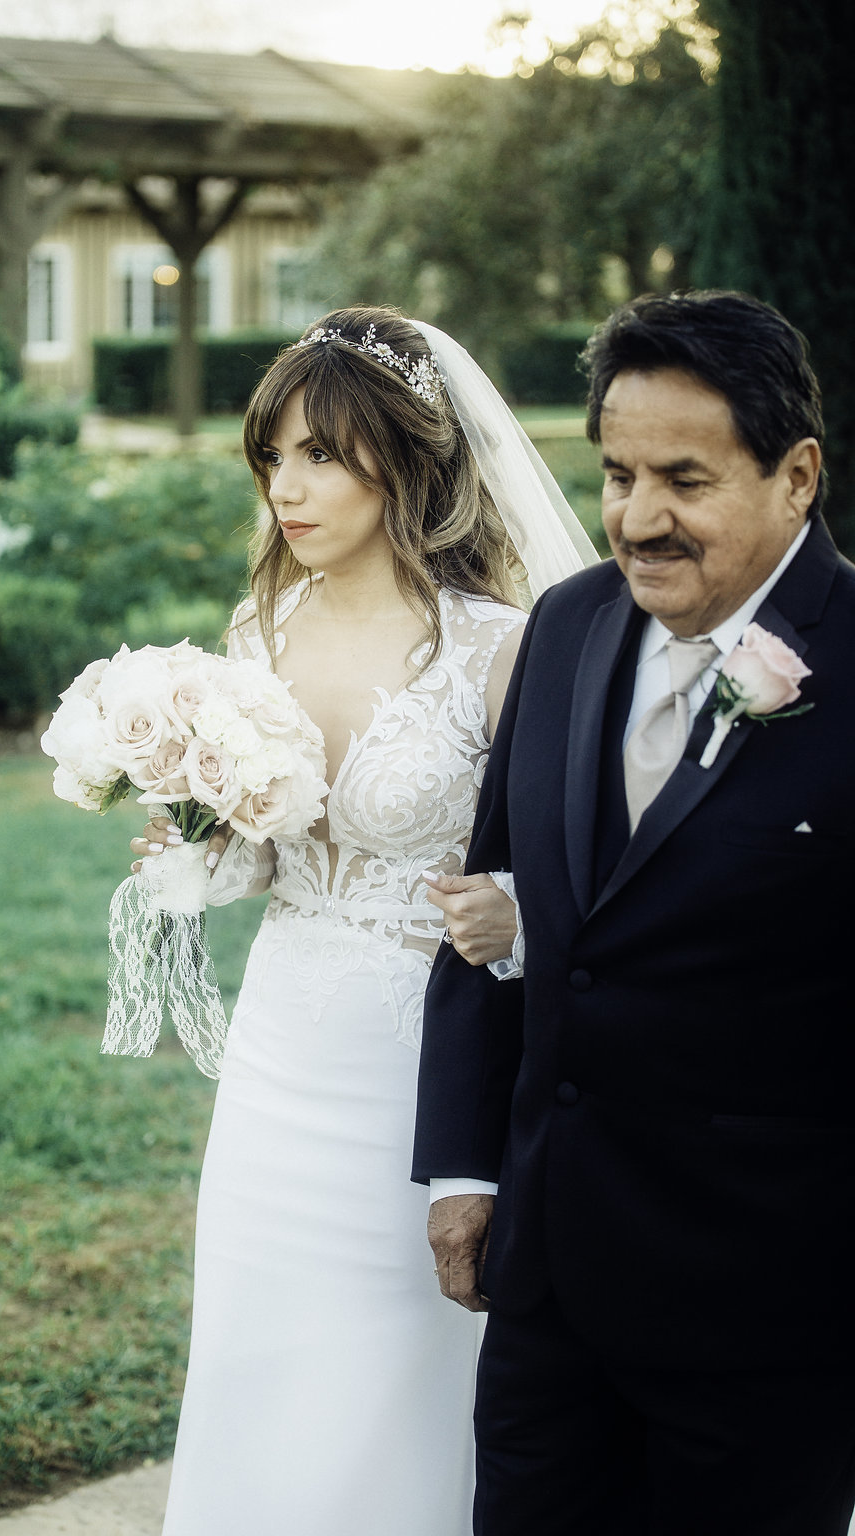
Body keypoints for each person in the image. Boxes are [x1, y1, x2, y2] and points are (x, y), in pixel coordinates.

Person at [129, 306, 595, 1536]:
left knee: (396, 1383)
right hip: (280, 1061)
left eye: (323, 454)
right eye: (273, 457)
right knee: (256, 1356)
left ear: (407, 459)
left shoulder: (501, 651)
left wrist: (514, 914)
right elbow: (274, 860)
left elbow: (580, 880)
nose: (288, 486)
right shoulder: (256, 635)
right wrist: (198, 856)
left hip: (418, 1073)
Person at [413, 289, 855, 1536]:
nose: (638, 519)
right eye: (615, 475)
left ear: (796, 477)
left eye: (683, 478)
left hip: (769, 1308)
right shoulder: (566, 627)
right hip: (548, 1287)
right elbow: (487, 900)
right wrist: (460, 1168)